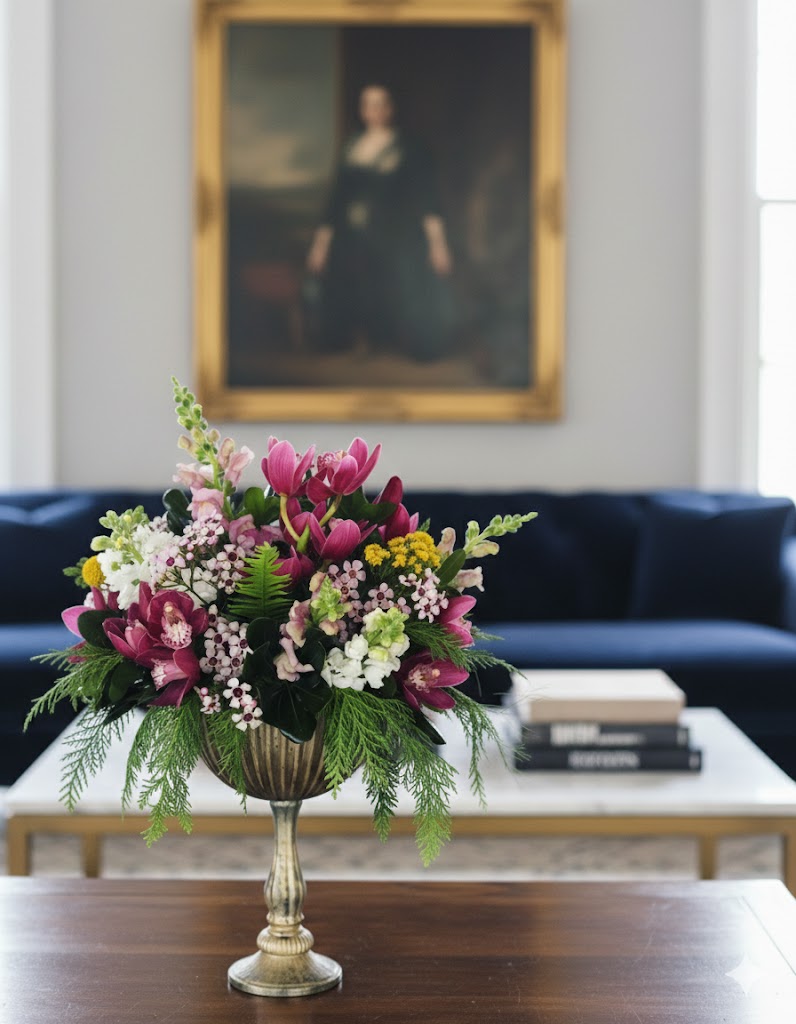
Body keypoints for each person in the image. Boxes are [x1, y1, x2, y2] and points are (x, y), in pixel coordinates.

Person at [306, 84, 454, 360]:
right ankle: (360, 341)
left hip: (397, 236)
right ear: (362, 110)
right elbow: (336, 200)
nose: (375, 111)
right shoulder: (352, 147)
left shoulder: (411, 149)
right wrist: (320, 245)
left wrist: (438, 243)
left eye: (381, 104)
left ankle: (410, 345)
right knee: (353, 286)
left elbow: (427, 199)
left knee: (406, 286)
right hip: (353, 236)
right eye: (368, 104)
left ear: (391, 108)